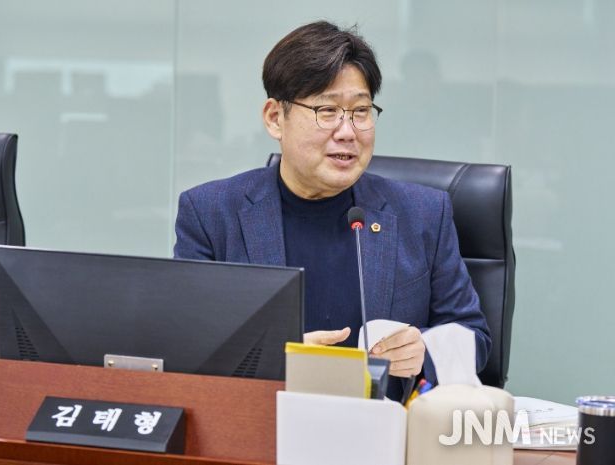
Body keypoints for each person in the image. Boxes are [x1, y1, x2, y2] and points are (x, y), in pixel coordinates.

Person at [174, 21, 490, 400]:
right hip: (263, 423)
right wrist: (280, 359)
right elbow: (189, 348)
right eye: (326, 110)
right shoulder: (210, 214)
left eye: (361, 111)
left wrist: (424, 349)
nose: (348, 131)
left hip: (384, 427)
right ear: (275, 118)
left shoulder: (422, 214)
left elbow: (474, 337)